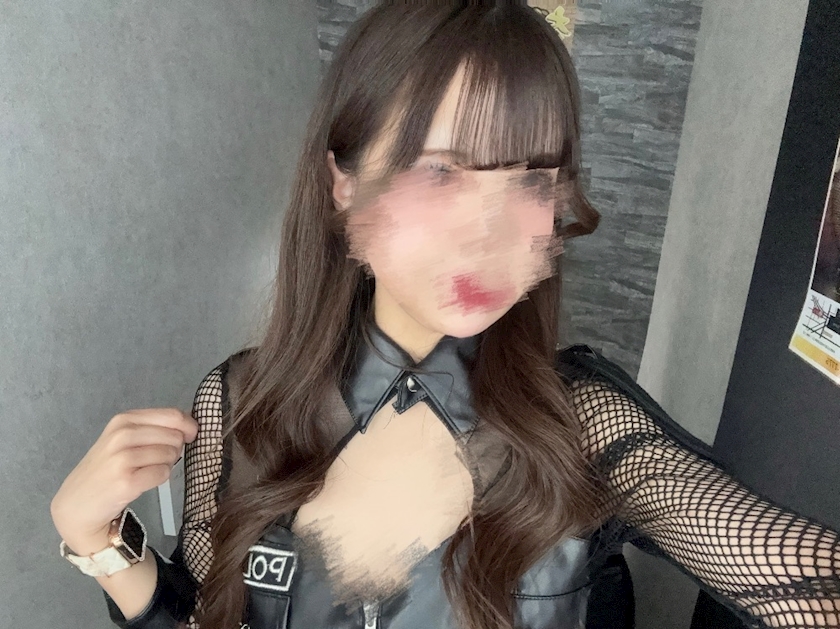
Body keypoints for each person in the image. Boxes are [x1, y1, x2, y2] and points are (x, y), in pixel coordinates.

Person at [50, 2, 840, 629]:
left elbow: (809, 581)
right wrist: (100, 541)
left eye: (531, 180)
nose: (488, 234)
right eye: (441, 174)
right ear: (344, 184)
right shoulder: (240, 402)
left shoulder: (582, 428)